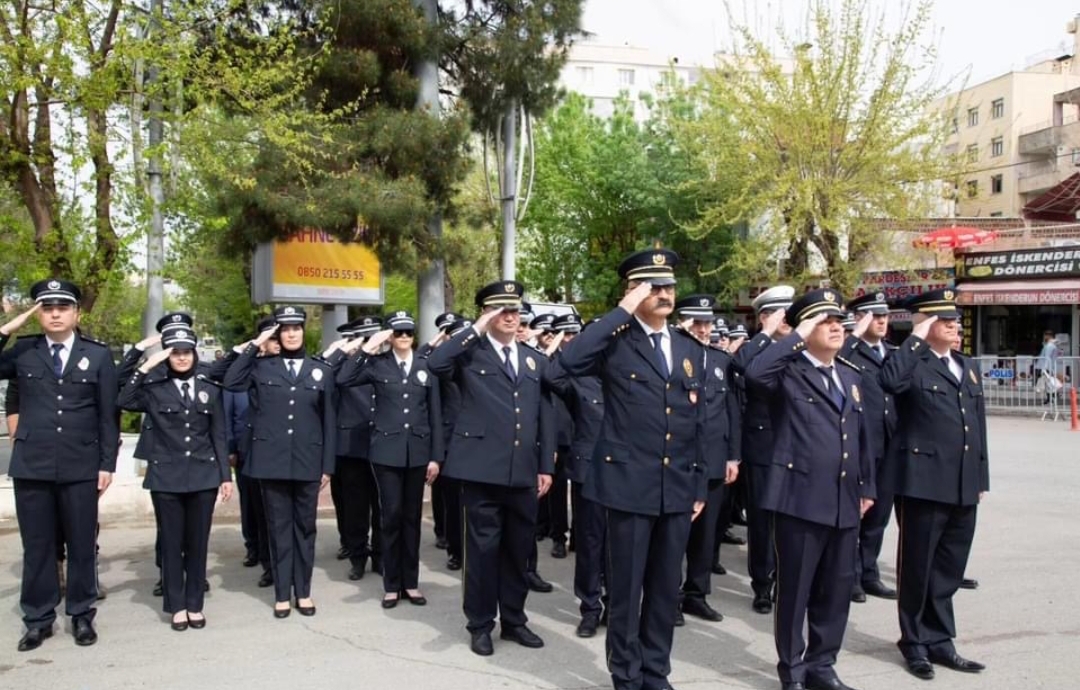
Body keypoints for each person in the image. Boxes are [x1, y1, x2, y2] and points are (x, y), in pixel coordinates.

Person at [557, 249, 707, 690]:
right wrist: (620, 311)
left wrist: (698, 483)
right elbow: (567, 364)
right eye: (652, 286)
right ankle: (626, 675)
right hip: (627, 487)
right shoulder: (615, 341)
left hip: (676, 487)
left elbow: (695, 422)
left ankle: (655, 672)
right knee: (625, 591)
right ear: (633, 291)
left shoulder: (687, 348)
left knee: (663, 592)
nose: (664, 293)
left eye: (669, 286)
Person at [746, 288, 875, 690]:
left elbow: (861, 437)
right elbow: (753, 373)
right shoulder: (787, 371)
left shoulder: (851, 376)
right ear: (804, 328)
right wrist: (795, 336)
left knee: (836, 590)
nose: (836, 327)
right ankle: (793, 670)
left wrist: (867, 485)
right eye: (824, 321)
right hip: (799, 499)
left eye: (838, 320)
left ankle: (823, 666)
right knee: (796, 591)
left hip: (843, 499)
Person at [426, 280, 555, 657]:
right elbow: (435, 363)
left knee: (519, 550)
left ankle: (514, 620)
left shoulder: (533, 359)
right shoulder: (469, 353)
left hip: (523, 472)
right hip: (481, 471)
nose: (511, 317)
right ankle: (480, 624)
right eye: (502, 310)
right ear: (487, 313)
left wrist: (545, 464)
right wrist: (476, 328)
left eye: (515, 310)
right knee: (481, 553)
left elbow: (543, 415)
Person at [0, 279, 119, 651]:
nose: (54, 314)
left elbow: (107, 416)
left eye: (62, 307)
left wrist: (107, 464)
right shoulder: (23, 352)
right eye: (46, 308)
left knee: (82, 544)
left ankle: (82, 615)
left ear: (75, 313)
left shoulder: (97, 355)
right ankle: (38, 619)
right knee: (37, 546)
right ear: (38, 314)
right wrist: (7, 328)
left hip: (80, 465)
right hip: (32, 465)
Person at [880, 289, 989, 681]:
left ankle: (940, 639)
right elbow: (889, 383)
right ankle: (914, 642)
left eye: (955, 319)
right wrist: (914, 338)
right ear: (925, 323)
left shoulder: (967, 365)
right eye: (944, 320)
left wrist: (981, 477)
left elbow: (977, 427)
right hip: (923, 483)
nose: (954, 325)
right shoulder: (909, 362)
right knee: (918, 568)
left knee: (948, 568)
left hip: (962, 483)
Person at [117, 321, 233, 630]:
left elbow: (218, 434)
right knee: (170, 543)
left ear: (195, 354)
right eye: (174, 353)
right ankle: (176, 604)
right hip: (166, 477)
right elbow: (123, 398)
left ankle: (195, 604)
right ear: (167, 356)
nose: (181, 358)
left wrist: (225, 476)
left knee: (198, 543)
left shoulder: (210, 389)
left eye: (186, 352)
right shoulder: (154, 389)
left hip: (203, 476)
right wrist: (145, 363)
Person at [223, 306, 335, 619]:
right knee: (278, 530)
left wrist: (327, 466)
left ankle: (304, 592)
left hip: (307, 460)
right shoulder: (261, 368)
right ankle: (282, 594)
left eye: (295, 328)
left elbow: (329, 421)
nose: (290, 334)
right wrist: (256, 344)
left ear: (303, 330)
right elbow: (230, 380)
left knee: (305, 529)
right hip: (271, 461)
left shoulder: (320, 370)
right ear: (276, 333)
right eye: (283, 329)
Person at [337, 311, 442, 608]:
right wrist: (368, 347)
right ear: (390, 336)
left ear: (414, 335)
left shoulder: (426, 366)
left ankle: (411, 582)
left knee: (412, 519)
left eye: (408, 332)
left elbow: (434, 412)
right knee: (391, 517)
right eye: (398, 333)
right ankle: (391, 584)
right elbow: (344, 378)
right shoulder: (377, 364)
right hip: (386, 453)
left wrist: (436, 456)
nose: (404, 337)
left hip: (418, 452)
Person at [674, 295, 740, 626]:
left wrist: (733, 456)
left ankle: (696, 594)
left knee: (706, 536)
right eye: (695, 322)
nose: (702, 329)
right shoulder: (671, 355)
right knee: (674, 536)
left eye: (707, 323)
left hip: (714, 460)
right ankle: (668, 597)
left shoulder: (721, 360)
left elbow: (732, 412)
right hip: (678, 462)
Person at [732, 284, 795, 614]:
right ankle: (762, 584)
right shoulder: (755, 347)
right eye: (778, 314)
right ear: (765, 317)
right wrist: (766, 334)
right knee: (761, 521)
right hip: (763, 446)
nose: (787, 320)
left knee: (793, 520)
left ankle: (790, 581)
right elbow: (739, 364)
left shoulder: (802, 346)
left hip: (799, 445)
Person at [544, 318, 608, 638]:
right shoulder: (580, 378)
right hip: (588, 473)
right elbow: (551, 374)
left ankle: (616, 603)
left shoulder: (627, 375)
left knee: (621, 545)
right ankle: (590, 608)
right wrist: (577, 343)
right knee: (590, 544)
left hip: (626, 472)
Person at [842, 292, 899, 603]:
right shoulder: (849, 351)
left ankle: (869, 572)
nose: (880, 321)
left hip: (889, 444)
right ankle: (848, 576)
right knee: (856, 513)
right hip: (861, 444)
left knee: (879, 514)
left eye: (884, 315)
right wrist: (855, 334)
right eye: (873, 315)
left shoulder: (891, 352)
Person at [322, 316, 383, 581]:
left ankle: (381, 557)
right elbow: (323, 376)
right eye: (365, 336)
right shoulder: (344, 365)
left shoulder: (387, 362)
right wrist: (342, 350)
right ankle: (357, 556)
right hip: (351, 448)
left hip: (381, 445)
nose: (371, 342)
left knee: (382, 508)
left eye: (374, 336)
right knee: (356, 509)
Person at [1036, 330, 1060, 404]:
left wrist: (1044, 368)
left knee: (1048, 383)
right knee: (1048, 383)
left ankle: (1053, 397)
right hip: (1048, 366)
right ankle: (1050, 398)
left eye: (1045, 335)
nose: (1044, 337)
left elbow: (1047, 357)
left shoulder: (1049, 346)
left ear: (1048, 336)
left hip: (1047, 367)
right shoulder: (1049, 345)